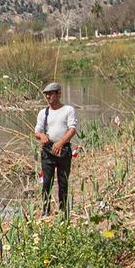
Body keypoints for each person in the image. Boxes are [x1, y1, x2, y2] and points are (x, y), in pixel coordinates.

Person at [34, 82, 78, 215]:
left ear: (59, 94)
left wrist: (60, 143)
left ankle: (63, 211)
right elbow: (37, 131)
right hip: (48, 151)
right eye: (46, 94)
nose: (48, 96)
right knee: (47, 182)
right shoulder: (44, 112)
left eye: (51, 94)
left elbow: (72, 129)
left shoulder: (68, 110)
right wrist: (42, 136)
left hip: (63, 150)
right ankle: (45, 211)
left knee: (63, 182)